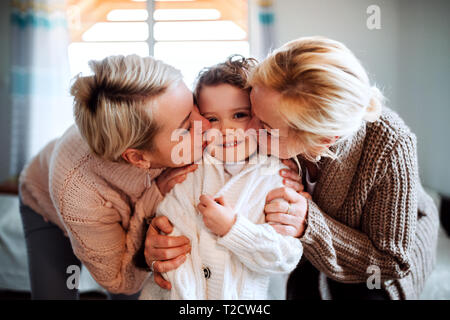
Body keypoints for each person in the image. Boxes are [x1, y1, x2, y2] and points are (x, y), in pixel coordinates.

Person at [146, 37, 439, 300]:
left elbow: (390, 262)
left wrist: (309, 223)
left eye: (262, 124)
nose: (244, 130)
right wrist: (156, 241)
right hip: (304, 251)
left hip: (374, 261)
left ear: (320, 141)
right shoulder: (280, 88)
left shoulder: (389, 146)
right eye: (251, 111)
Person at [18, 54, 210, 299]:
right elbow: (119, 281)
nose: (205, 122)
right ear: (138, 158)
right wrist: (155, 195)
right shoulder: (77, 190)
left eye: (192, 102)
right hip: (46, 208)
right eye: (186, 128)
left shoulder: (176, 127)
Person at [139, 56, 303, 300]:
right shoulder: (186, 172)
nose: (226, 130)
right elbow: (167, 241)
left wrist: (233, 229)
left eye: (239, 115)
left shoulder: (277, 178)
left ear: (260, 114)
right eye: (213, 119)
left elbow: (284, 258)